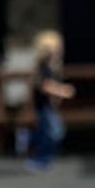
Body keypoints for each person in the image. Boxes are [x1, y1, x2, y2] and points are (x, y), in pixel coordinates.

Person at [26, 30, 75, 172]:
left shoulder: (52, 66)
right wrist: (63, 91)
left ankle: (43, 158)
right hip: (43, 107)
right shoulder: (43, 67)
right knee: (52, 132)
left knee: (49, 131)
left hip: (49, 107)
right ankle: (40, 158)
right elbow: (45, 86)